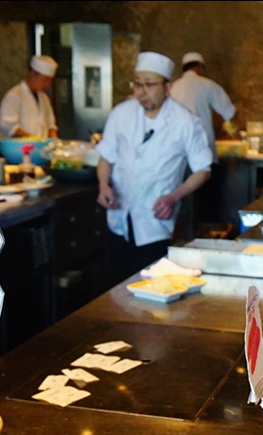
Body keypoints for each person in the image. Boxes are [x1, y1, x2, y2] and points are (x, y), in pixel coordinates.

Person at [94, 51, 213, 284]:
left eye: (149, 84)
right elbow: (106, 157)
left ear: (167, 87)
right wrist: (102, 185)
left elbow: (203, 169)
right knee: (116, 287)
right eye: (137, 84)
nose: (141, 91)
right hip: (118, 216)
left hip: (155, 221)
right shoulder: (121, 113)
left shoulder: (185, 122)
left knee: (151, 288)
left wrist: (173, 197)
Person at [169, 52, 237, 163]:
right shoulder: (208, 85)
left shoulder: (172, 87)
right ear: (200, 67)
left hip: (176, 148)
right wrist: (233, 132)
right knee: (202, 177)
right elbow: (229, 112)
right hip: (201, 147)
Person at [0, 55, 59, 139]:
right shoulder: (15, 95)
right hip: (20, 150)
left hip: (41, 149)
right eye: (44, 80)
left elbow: (51, 125)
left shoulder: (44, 98)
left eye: (49, 81)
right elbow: (7, 126)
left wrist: (55, 142)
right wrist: (33, 140)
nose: (47, 84)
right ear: (32, 74)